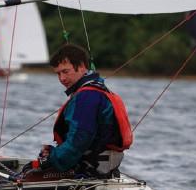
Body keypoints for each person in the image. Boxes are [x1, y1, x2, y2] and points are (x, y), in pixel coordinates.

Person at [34, 44, 132, 178]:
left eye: (65, 71)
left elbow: (79, 140)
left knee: (28, 173)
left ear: (81, 67)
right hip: (102, 169)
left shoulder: (87, 97)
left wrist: (51, 158)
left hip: (87, 172)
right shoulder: (98, 90)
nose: (61, 79)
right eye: (58, 73)